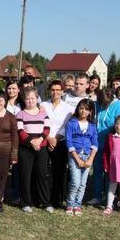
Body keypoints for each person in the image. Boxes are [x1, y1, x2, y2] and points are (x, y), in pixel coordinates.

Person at [15, 87, 51, 213]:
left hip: (41, 147)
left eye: (32, 98)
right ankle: (26, 202)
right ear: (24, 100)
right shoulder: (20, 114)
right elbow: (20, 130)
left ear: (37, 98)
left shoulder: (43, 113)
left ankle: (45, 202)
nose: (30, 101)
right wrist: (31, 141)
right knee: (26, 175)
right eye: (27, 99)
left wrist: (39, 140)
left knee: (42, 175)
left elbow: (47, 129)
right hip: (26, 148)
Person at [89, 87, 120, 206]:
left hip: (111, 143)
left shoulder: (118, 106)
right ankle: (97, 196)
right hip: (96, 142)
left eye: (105, 104)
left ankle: (109, 196)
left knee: (109, 171)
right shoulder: (96, 104)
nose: (103, 106)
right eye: (101, 103)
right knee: (97, 170)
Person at [41, 80, 74, 209]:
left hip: (60, 142)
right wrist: (49, 137)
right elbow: (41, 123)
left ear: (62, 91)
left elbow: (67, 125)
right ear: (49, 91)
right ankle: (42, 197)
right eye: (53, 90)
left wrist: (56, 138)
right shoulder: (43, 105)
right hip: (45, 141)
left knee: (59, 172)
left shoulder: (68, 108)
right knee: (42, 171)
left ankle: (57, 199)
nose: (55, 92)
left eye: (58, 90)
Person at [64, 99, 98, 216]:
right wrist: (77, 159)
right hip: (75, 155)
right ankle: (70, 204)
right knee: (75, 182)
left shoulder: (92, 125)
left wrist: (90, 159)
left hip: (87, 155)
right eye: (81, 108)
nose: (83, 111)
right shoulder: (71, 123)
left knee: (83, 183)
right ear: (77, 109)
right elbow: (68, 142)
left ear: (90, 111)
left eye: (86, 109)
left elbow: (95, 143)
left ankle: (77, 204)